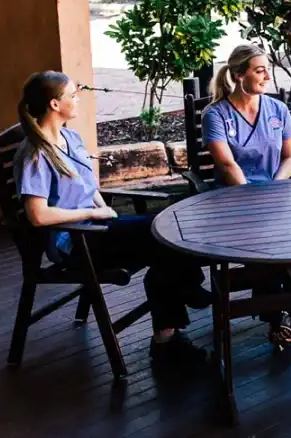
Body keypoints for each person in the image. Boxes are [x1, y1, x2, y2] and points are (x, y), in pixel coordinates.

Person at [14, 71, 210, 367]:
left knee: (167, 230)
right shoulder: (36, 155)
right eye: (72, 96)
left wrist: (107, 211)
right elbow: (38, 215)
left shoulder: (69, 136)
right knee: (163, 238)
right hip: (73, 242)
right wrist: (95, 213)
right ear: (55, 104)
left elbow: (87, 186)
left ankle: (170, 331)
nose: (78, 99)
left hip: (96, 230)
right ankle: (177, 315)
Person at [202, 43, 291, 349]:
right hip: (234, 199)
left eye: (268, 69)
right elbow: (226, 164)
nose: (267, 76)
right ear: (238, 75)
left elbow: (290, 157)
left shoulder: (278, 110)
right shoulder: (216, 115)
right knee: (266, 241)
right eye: (260, 70)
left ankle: (281, 313)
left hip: (276, 194)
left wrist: (275, 187)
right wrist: (254, 198)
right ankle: (281, 316)